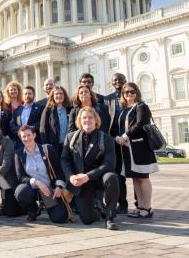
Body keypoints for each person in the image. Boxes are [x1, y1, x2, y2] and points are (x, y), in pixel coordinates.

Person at [61, 107, 119, 230]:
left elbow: (109, 164)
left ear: (96, 120)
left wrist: (88, 176)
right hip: (81, 182)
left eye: (90, 117)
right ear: (80, 121)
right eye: (84, 118)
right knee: (87, 220)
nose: (87, 120)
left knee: (112, 177)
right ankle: (98, 207)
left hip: (98, 177)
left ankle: (110, 218)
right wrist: (70, 176)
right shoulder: (70, 137)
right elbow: (64, 160)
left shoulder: (106, 138)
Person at [116, 82, 158, 218]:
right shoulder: (124, 109)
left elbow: (141, 124)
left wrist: (125, 136)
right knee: (135, 178)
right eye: (126, 92)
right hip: (128, 149)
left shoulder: (141, 106)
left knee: (143, 178)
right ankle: (140, 206)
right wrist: (118, 137)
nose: (129, 94)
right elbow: (121, 126)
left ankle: (147, 207)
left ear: (137, 92)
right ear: (123, 94)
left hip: (141, 148)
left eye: (132, 91)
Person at [14, 125, 68, 223]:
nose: (26, 138)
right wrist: (37, 182)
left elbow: (59, 170)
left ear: (34, 135)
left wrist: (59, 187)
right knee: (20, 192)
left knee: (60, 218)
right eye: (23, 137)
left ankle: (48, 205)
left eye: (29, 135)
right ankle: (34, 208)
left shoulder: (47, 149)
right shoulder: (19, 154)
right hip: (33, 189)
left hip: (50, 189)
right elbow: (20, 177)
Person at [105, 73, 128, 214]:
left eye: (120, 79)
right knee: (118, 174)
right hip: (113, 140)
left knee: (137, 175)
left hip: (129, 140)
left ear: (125, 81)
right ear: (112, 83)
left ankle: (141, 204)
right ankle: (122, 203)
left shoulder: (130, 95)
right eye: (115, 80)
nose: (118, 82)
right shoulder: (108, 99)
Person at [39, 86, 72, 155]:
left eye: (61, 93)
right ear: (52, 96)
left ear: (64, 95)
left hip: (68, 145)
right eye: (56, 94)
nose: (59, 95)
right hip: (53, 146)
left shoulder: (70, 109)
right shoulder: (48, 110)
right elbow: (43, 129)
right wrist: (46, 146)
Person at [10, 86, 43, 150]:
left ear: (34, 95)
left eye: (29, 93)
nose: (27, 95)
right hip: (20, 143)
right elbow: (12, 125)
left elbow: (42, 122)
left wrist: (29, 129)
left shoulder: (40, 108)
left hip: (36, 141)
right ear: (22, 96)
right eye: (25, 94)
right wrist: (21, 130)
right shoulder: (17, 111)